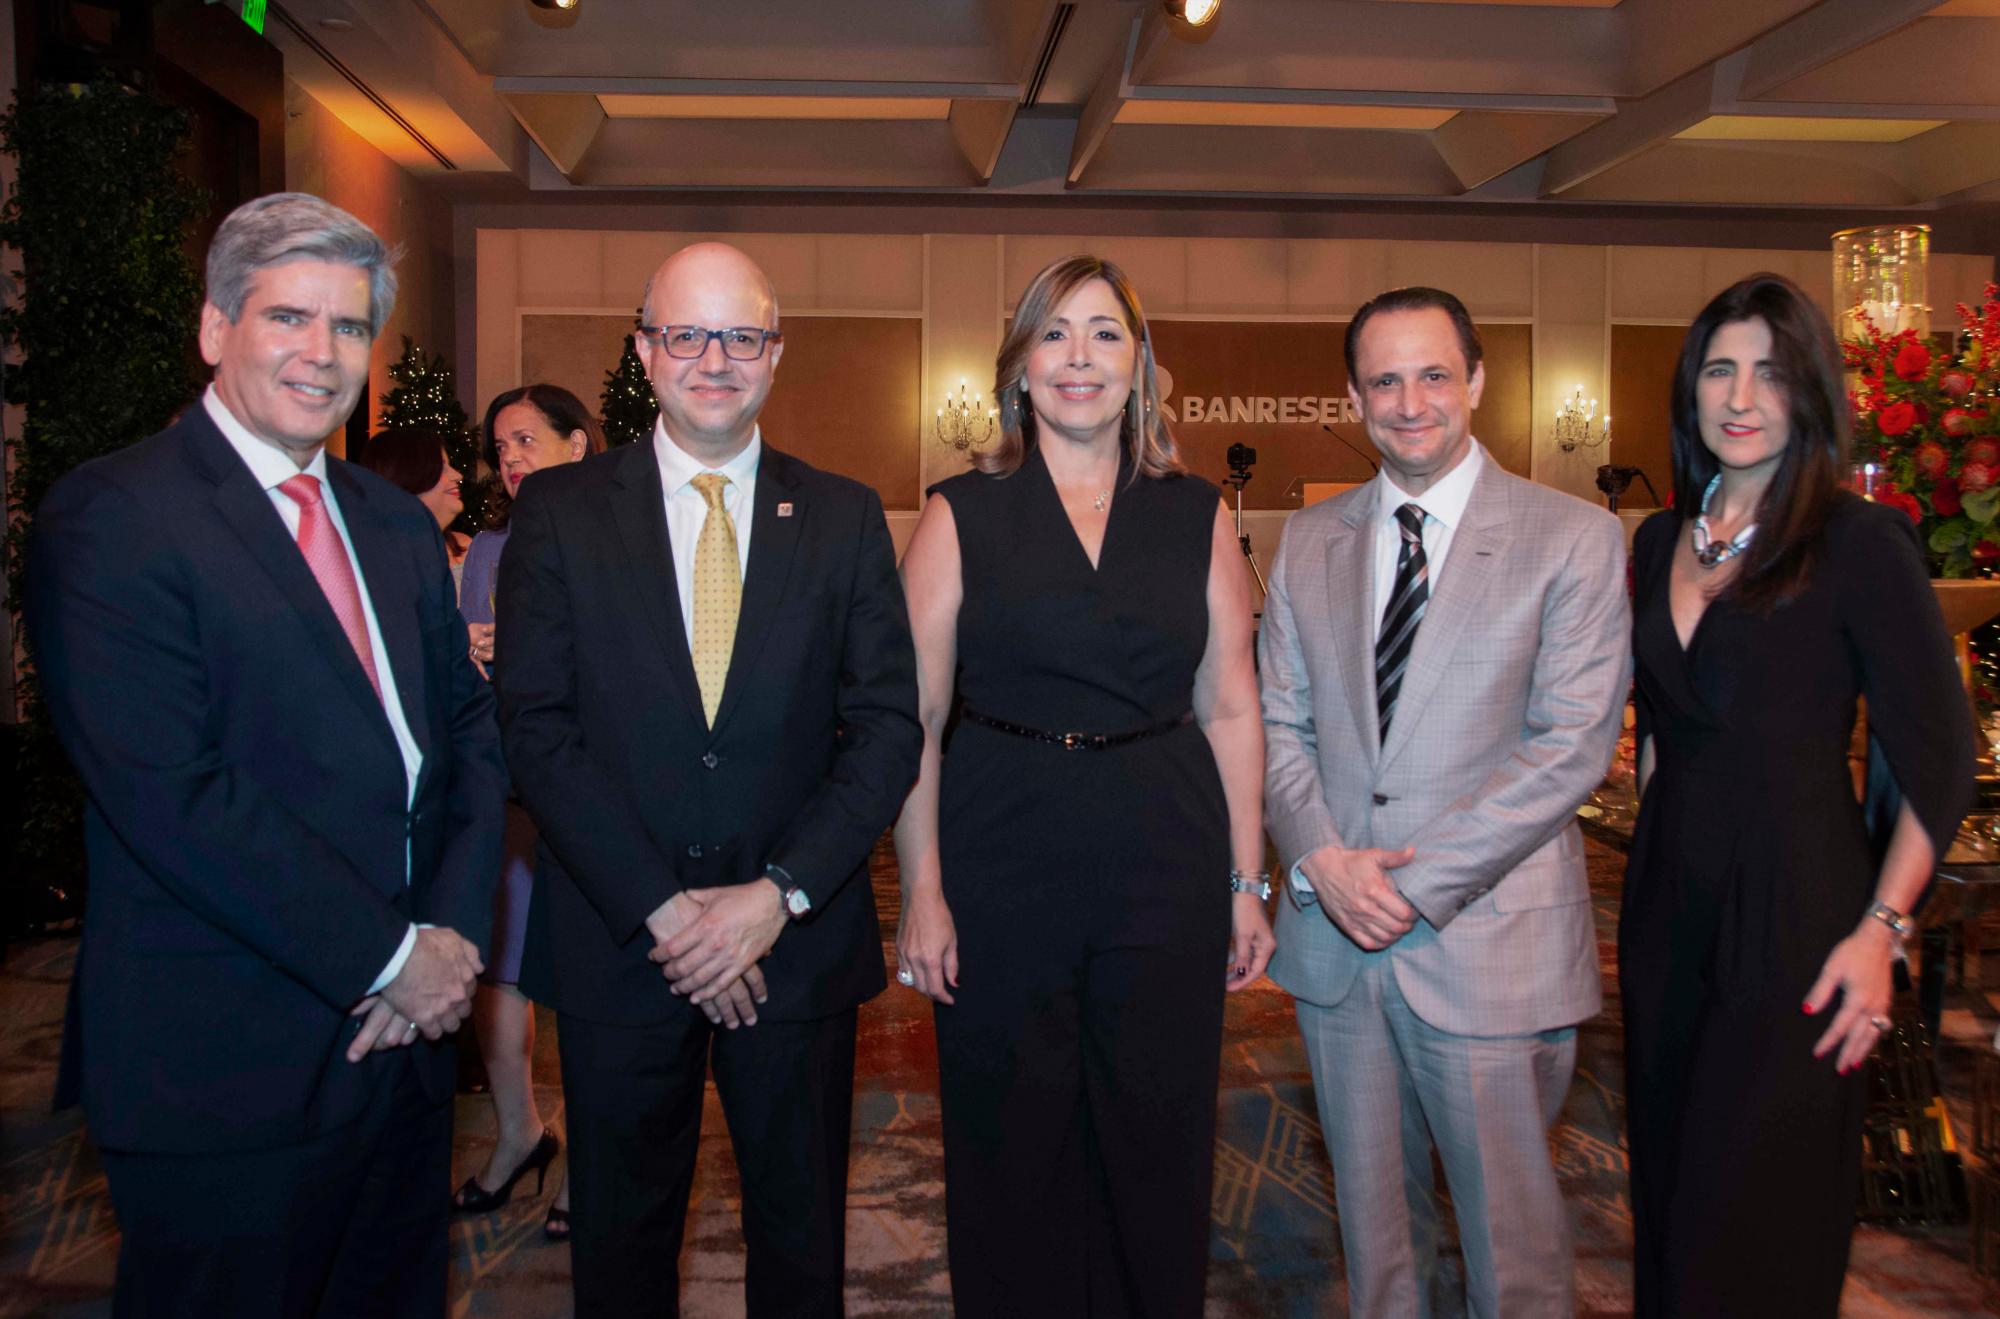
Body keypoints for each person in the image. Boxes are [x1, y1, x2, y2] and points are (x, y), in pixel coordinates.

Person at [24, 192, 504, 1319]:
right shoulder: (112, 516)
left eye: (346, 328)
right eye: (288, 317)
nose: (320, 352)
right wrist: (392, 956)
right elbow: (173, 795)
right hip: (227, 1065)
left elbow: (468, 737)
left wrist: (453, 933)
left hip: (407, 1051)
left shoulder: (390, 526)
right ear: (213, 328)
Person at [494, 241, 921, 1318]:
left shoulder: (842, 515)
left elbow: (883, 728)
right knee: (620, 1243)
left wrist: (774, 895)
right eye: (687, 333)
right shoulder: (557, 511)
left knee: (801, 1241)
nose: (714, 359)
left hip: (795, 944)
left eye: (740, 335)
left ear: (775, 355)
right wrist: (669, 914)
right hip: (618, 944)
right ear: (645, 352)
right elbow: (536, 730)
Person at [893, 254, 1275, 1316]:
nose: (1079, 358)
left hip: (1165, 850)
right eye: (1054, 334)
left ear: (1140, 366)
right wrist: (921, 888)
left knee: (1156, 1130)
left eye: (1105, 334)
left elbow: (1233, 704)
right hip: (999, 845)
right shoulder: (958, 512)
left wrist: (1248, 881)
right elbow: (913, 720)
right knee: (1008, 1133)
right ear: (1017, 366)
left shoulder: (1194, 511)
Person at [1260, 285, 1630, 1318]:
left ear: (1474, 380)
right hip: (1335, 939)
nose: (1408, 399)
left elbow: (1570, 746)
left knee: (1509, 1253)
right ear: (1352, 396)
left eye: (1432, 373)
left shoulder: (1573, 536)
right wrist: (1322, 861)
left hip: (1485, 939)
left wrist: (1413, 884)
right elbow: (1276, 724)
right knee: (1375, 1250)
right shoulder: (1307, 540)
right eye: (1384, 379)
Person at [1621, 273, 1976, 1316]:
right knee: (1672, 1193)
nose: (1739, 395)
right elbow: (1657, 729)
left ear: (1807, 392)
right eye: (1718, 369)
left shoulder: (1858, 542)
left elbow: (1936, 755)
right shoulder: (1657, 541)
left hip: (1798, 914)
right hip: (1663, 910)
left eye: (1768, 372)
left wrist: (1881, 927)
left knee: (1761, 1207)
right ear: (1689, 390)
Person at [449, 383, 604, 1239]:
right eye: (499, 446)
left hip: (589, 799)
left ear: (578, 446)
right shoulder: (486, 552)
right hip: (505, 791)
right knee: (497, 972)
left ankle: (591, 1159)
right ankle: (518, 1133)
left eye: (525, 440)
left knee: (584, 982)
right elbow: (473, 684)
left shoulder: (623, 540)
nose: (508, 458)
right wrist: (465, 656)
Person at [356, 425, 467, 584]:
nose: (458, 475)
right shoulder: (373, 567)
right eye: (442, 467)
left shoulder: (471, 550)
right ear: (409, 475)